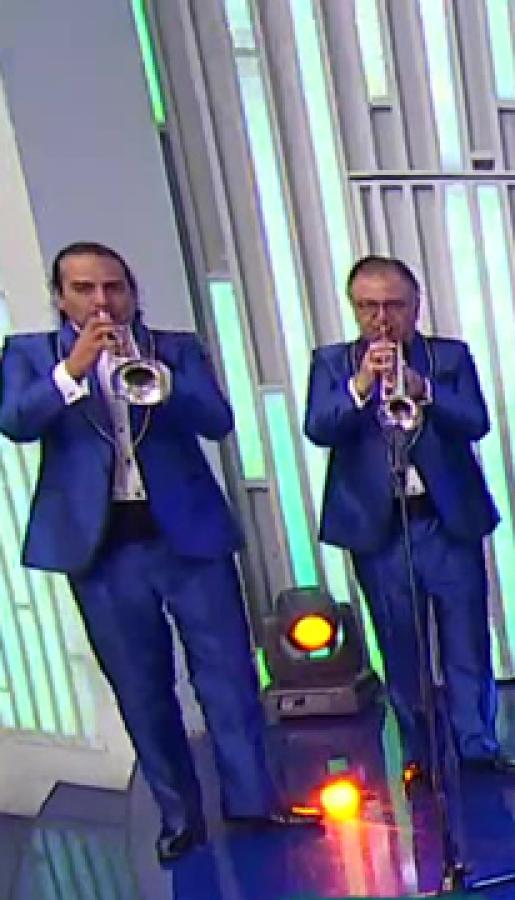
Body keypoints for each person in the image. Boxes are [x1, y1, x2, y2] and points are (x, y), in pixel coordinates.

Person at [0, 242, 318, 863]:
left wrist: (162, 381)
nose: (102, 301)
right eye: (85, 289)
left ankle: (254, 802)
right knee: (141, 688)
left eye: (113, 287)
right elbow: (15, 421)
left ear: (132, 290)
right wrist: (72, 372)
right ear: (60, 297)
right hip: (102, 550)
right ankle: (179, 818)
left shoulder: (175, 348)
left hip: (189, 540)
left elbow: (217, 419)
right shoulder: (30, 355)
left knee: (229, 678)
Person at [304, 255, 515, 784]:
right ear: (353, 309)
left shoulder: (449, 356)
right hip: (378, 529)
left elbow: (475, 421)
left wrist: (423, 389)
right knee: (400, 646)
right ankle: (420, 755)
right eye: (368, 307)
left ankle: (477, 747)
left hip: (445, 520)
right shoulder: (332, 363)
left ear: (416, 306)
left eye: (394, 306)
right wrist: (362, 384)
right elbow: (320, 426)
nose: (381, 319)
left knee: (467, 642)